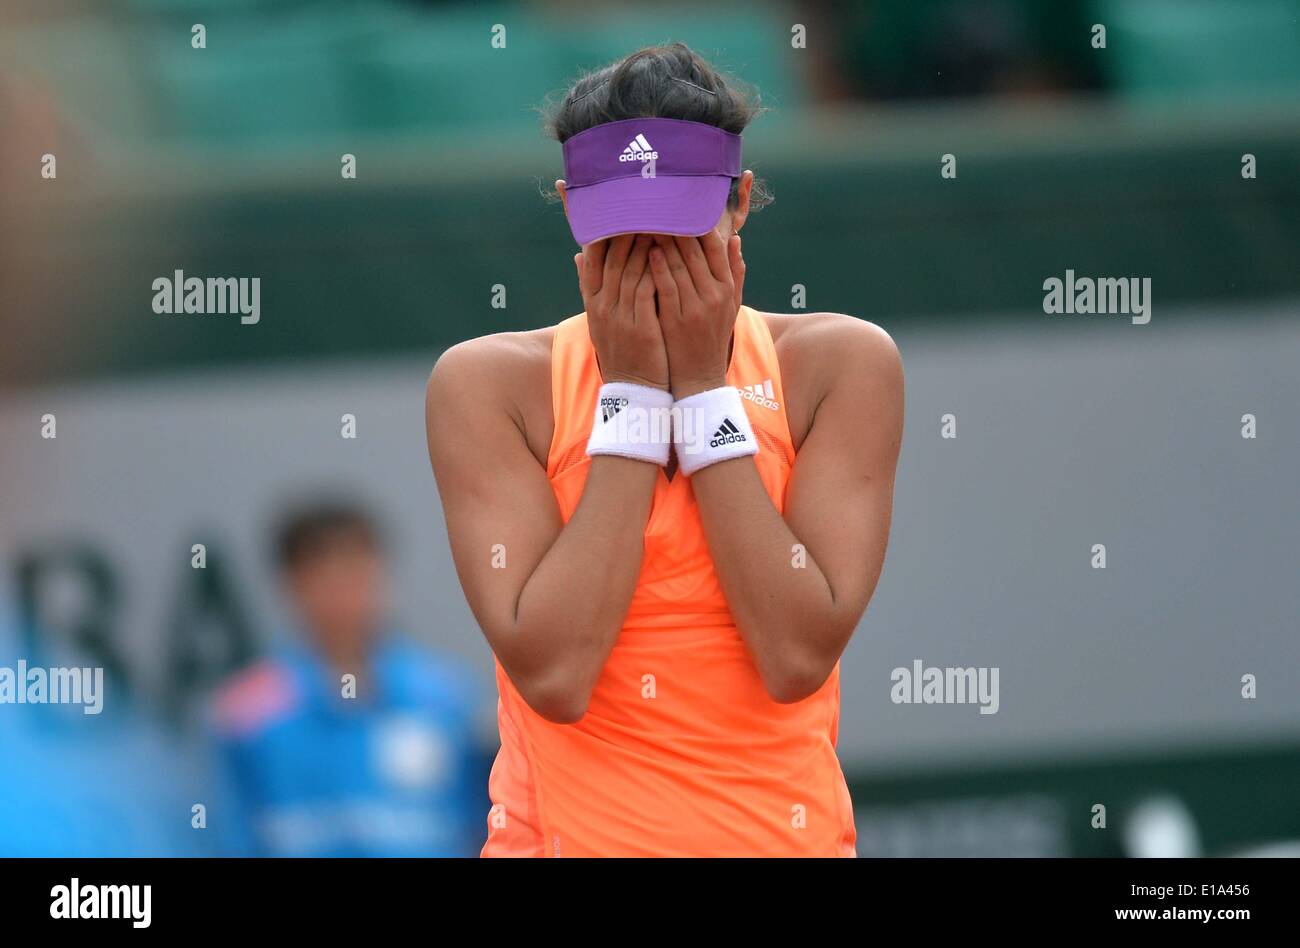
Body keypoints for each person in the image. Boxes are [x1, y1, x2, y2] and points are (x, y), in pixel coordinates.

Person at [426, 43, 904, 857]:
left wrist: (705, 397)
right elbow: (556, 676)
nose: (652, 261)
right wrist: (638, 402)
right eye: (620, 235)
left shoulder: (841, 365)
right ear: (571, 209)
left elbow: (795, 657)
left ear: (740, 203)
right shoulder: (487, 385)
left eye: (680, 229)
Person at [210, 503, 486, 856]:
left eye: (356, 570)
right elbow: (230, 835)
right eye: (323, 573)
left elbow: (480, 826)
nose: (343, 592)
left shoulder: (446, 696)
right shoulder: (246, 712)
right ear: (292, 583)